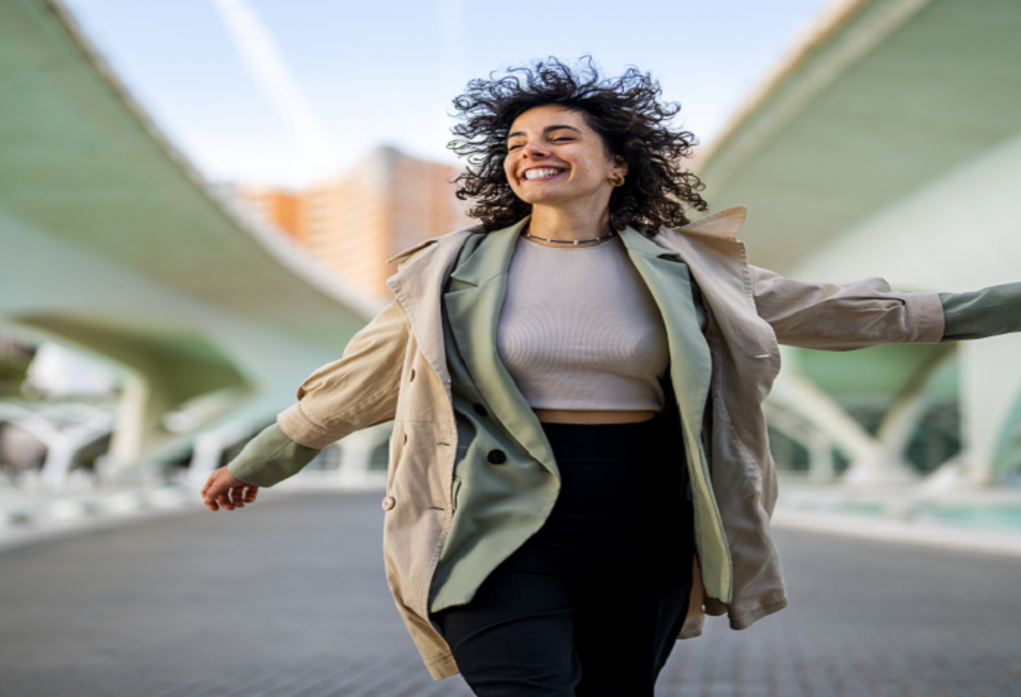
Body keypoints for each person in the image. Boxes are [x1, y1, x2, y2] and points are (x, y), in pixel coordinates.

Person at [200, 58, 1021, 696]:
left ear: (618, 164)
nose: (532, 152)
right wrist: (262, 457)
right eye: (517, 144)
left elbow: (851, 310)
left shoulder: (687, 269)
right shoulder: (450, 272)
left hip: (643, 519)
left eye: (558, 137)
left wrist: (1001, 306)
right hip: (496, 521)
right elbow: (357, 378)